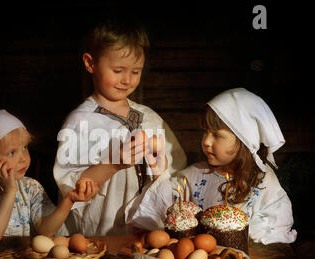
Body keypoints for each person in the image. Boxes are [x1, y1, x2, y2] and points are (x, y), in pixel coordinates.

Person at [53, 19, 187, 236]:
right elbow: (70, 187)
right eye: (118, 70)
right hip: (100, 232)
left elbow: (175, 174)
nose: (127, 80)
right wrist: (114, 164)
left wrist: (158, 165)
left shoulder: (150, 117)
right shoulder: (80, 121)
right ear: (90, 63)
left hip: (146, 232)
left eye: (136, 71)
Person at [127, 88, 297, 244]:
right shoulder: (194, 175)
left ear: (245, 140)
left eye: (217, 135)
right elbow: (164, 212)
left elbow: (275, 228)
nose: (206, 141)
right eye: (205, 132)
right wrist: (159, 172)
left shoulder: (263, 181)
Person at [0, 109, 98, 244]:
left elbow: (45, 230)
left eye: (25, 148)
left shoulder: (31, 187)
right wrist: (10, 192)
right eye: (11, 152)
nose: (23, 158)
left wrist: (69, 199)